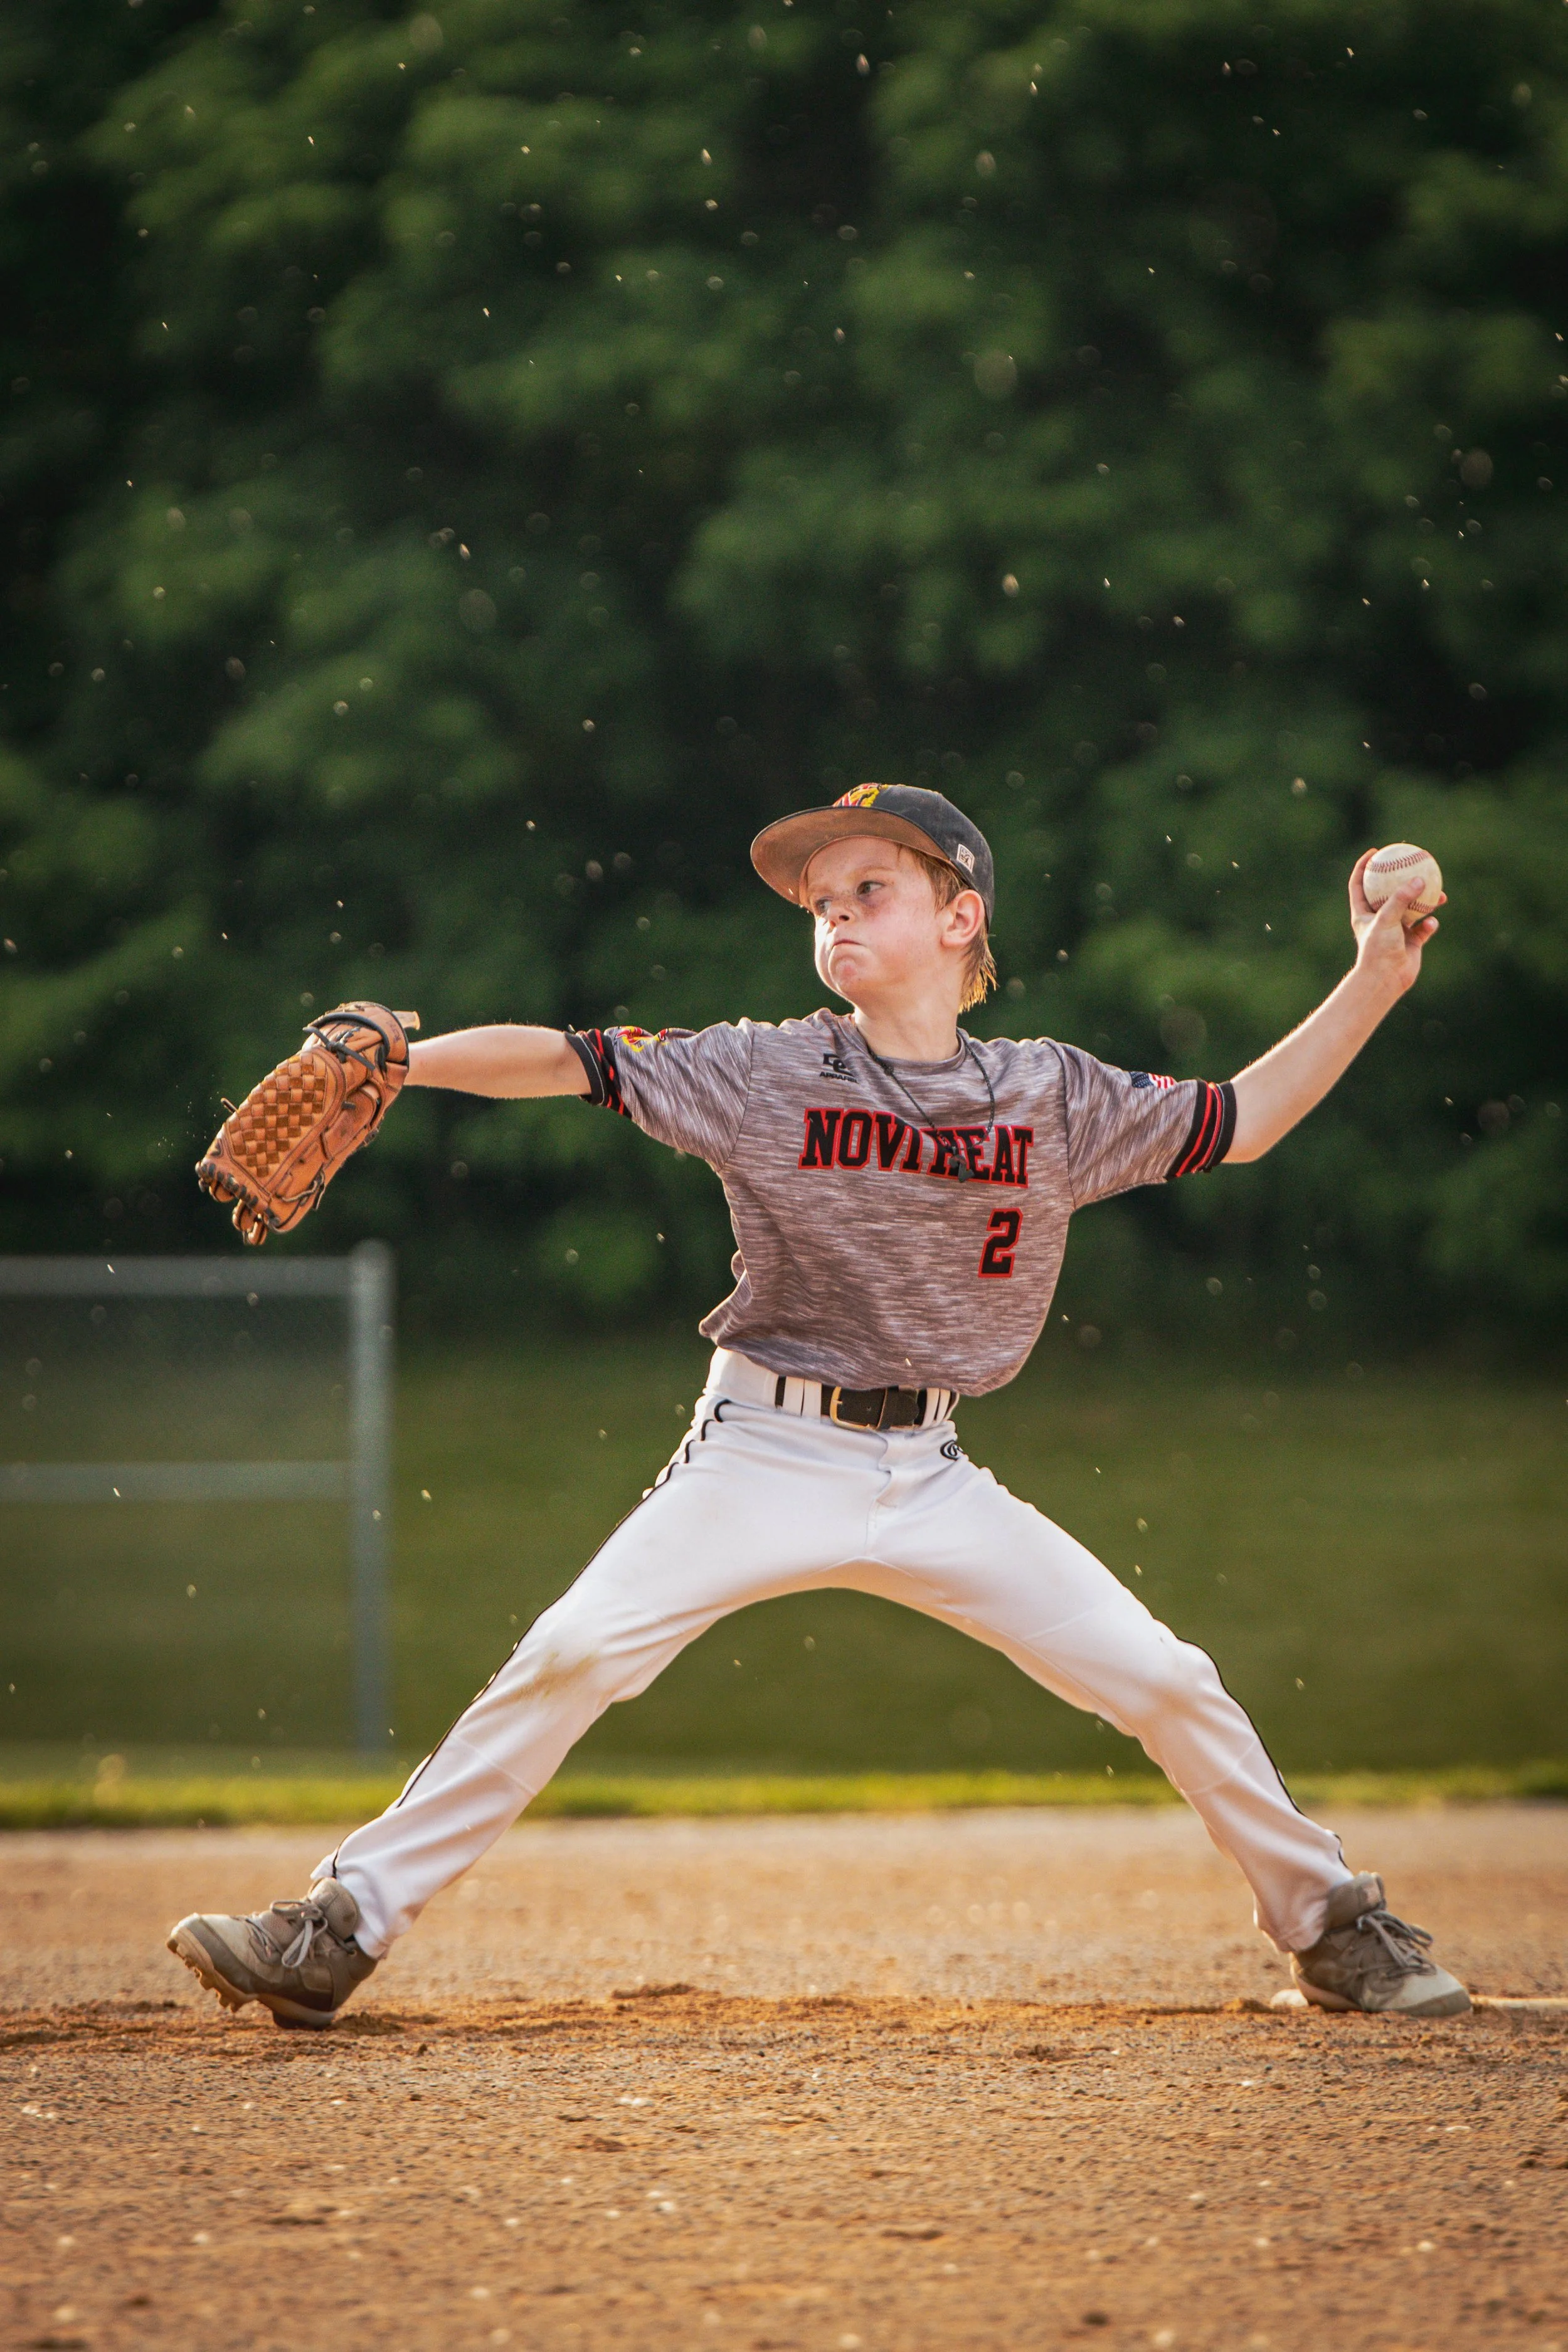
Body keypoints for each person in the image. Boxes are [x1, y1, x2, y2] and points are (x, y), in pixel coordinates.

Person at [168, 784, 1469, 2028]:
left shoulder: (1052, 1097)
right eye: (817, 899)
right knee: (570, 1654)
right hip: (763, 1453)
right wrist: (401, 1062)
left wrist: (1372, 976)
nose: (832, 913)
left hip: (937, 1474)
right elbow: (571, 1061)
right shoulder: (765, 1070)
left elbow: (1240, 1120)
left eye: (868, 887)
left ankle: (1330, 1928)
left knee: (1163, 1679)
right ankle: (333, 1933)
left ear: (961, 919)